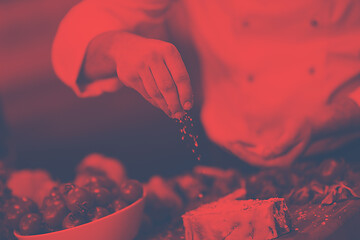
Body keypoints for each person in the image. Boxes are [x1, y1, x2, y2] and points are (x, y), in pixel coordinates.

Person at [52, 0, 360, 167]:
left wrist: (333, 118)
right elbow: (77, 33)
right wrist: (119, 47)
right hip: (234, 162)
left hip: (350, 145)